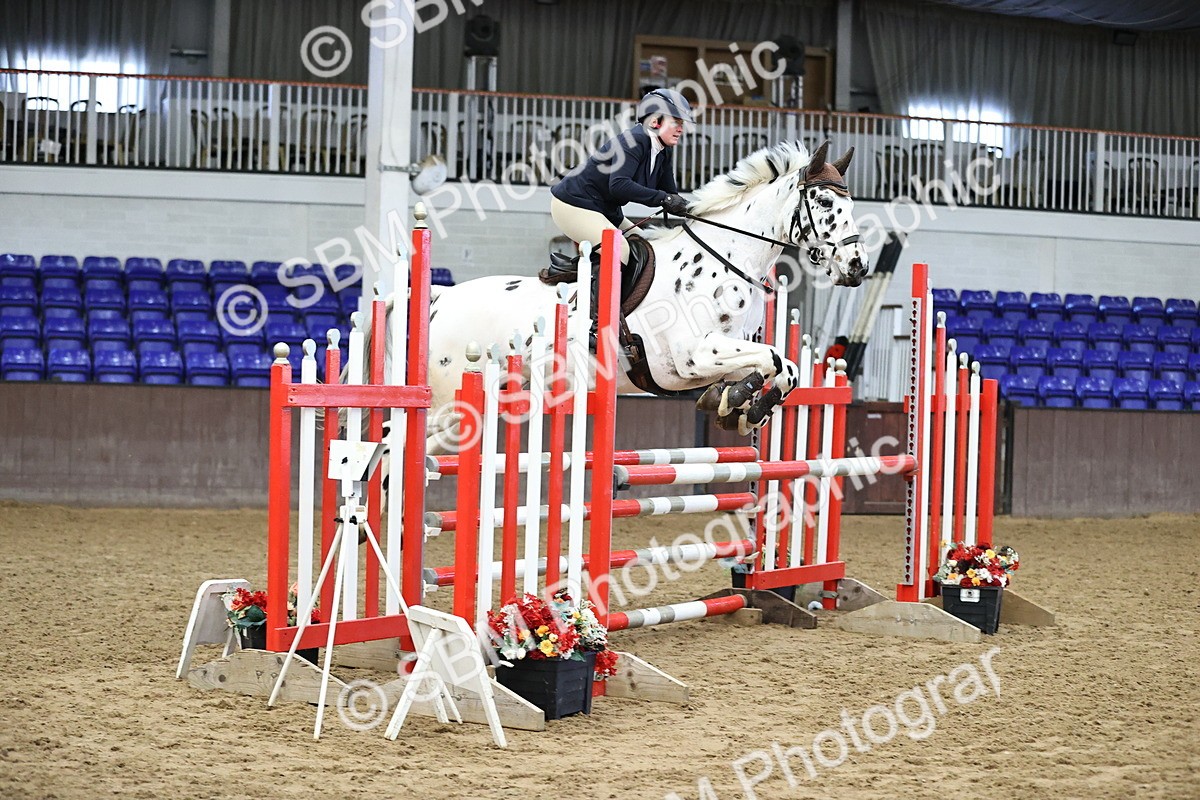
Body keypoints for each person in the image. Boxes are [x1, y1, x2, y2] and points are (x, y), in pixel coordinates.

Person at [547, 88, 693, 280]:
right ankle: (595, 308)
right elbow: (619, 185)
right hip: (573, 205)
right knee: (620, 250)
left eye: (681, 124)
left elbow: (670, 195)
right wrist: (662, 199)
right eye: (675, 122)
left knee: (647, 247)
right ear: (655, 121)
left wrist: (695, 211)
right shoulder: (633, 141)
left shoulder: (663, 151)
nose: (681, 129)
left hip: (603, 209)